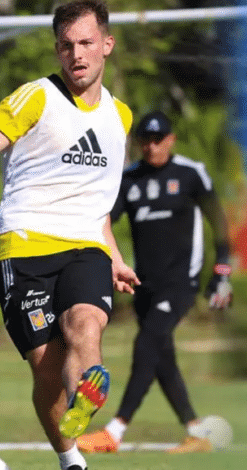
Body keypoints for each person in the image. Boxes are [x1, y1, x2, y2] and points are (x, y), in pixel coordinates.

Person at [0, 2, 138, 469]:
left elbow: (98, 203)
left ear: (107, 45)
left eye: (86, 43)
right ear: (57, 50)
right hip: (22, 246)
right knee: (45, 367)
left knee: (85, 325)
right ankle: (72, 458)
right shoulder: (36, 96)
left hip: (85, 247)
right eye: (66, 46)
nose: (76, 54)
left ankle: (82, 399)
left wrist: (116, 257)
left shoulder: (120, 117)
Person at [76, 111, 233, 454]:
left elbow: (219, 223)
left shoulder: (191, 174)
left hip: (180, 282)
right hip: (143, 286)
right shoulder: (128, 179)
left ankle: (114, 432)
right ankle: (196, 432)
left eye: (158, 139)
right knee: (162, 358)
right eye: (144, 140)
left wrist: (222, 270)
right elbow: (102, 222)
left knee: (146, 345)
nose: (151, 146)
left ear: (171, 139)